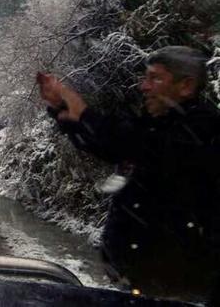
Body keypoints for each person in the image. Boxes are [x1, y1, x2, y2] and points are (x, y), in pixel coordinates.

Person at [38, 46, 220, 302]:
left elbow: (139, 145)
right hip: (144, 285)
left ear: (186, 86)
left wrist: (84, 115)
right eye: (145, 77)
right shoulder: (160, 123)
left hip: (182, 293)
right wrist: (63, 112)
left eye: (155, 78)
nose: (144, 86)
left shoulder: (203, 130)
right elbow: (109, 144)